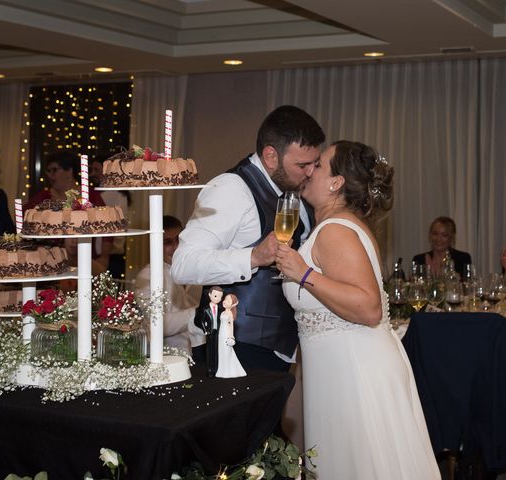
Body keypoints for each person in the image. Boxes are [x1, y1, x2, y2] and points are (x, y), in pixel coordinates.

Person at [275, 141, 440, 479]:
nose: (309, 170)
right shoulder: (339, 226)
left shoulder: (335, 231)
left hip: (355, 372)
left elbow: (368, 307)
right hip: (342, 368)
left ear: (336, 182)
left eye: (318, 165)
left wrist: (302, 273)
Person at [171, 105, 325, 372]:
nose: (311, 172)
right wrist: (253, 257)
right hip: (233, 345)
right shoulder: (230, 189)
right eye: (302, 165)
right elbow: (184, 264)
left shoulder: (295, 192)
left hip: (279, 348)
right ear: (270, 156)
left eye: (316, 164)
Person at [135, 215, 203, 354]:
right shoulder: (147, 276)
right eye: (168, 242)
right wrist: (200, 313)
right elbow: (158, 324)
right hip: (167, 357)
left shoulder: (197, 268)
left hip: (201, 351)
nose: (176, 247)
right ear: (154, 244)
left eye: (179, 240)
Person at [90, 156, 131, 281]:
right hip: (115, 253)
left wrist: (104, 254)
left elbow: (111, 226)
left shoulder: (110, 195)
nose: (93, 174)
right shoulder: (120, 192)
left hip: (107, 254)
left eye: (97, 170)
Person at [215, 293, 246, 378]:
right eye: (225, 299)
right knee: (221, 351)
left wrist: (231, 336)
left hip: (226, 334)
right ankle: (221, 370)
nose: (224, 301)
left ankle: (227, 371)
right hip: (221, 334)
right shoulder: (223, 312)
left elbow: (231, 326)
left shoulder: (230, 314)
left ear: (232, 304)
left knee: (227, 351)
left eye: (228, 301)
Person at [196, 286, 223, 377]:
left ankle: (217, 369)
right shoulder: (205, 309)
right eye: (215, 296)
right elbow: (201, 321)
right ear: (210, 295)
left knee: (217, 351)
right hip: (209, 332)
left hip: (218, 332)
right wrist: (205, 330)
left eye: (220, 297)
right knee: (209, 351)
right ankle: (210, 370)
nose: (218, 299)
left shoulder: (220, 309)